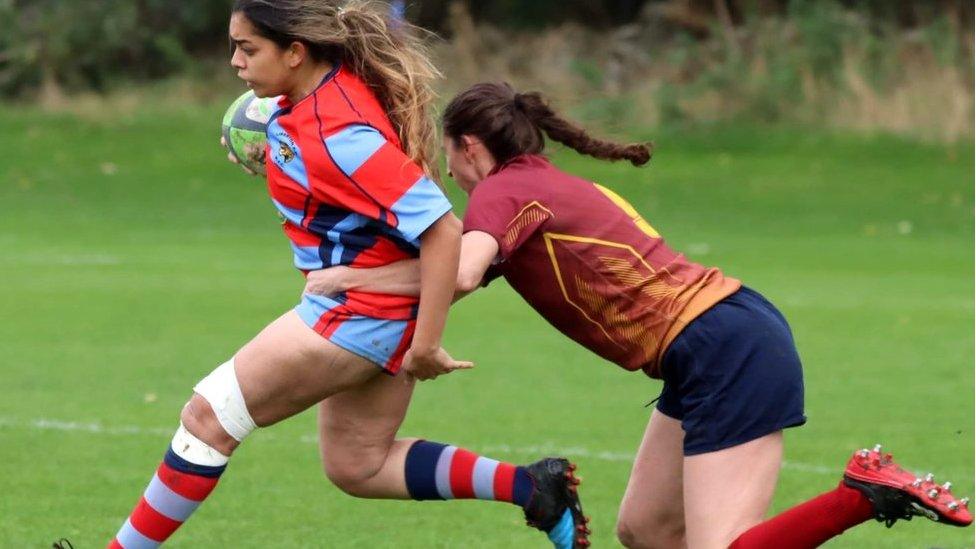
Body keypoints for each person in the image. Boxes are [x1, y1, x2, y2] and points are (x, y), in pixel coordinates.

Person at [305, 81, 974, 548]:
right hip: (714, 343)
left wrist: (351, 278)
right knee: (647, 532)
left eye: (448, 155)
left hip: (723, 349)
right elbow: (460, 270)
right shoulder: (539, 183)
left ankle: (863, 493)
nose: (449, 171)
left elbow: (462, 270)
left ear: (470, 145)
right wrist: (369, 277)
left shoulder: (503, 193)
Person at [106, 4, 590, 549]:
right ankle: (532, 487)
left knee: (207, 418)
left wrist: (427, 347)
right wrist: (275, 143)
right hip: (377, 309)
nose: (234, 62)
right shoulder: (329, 91)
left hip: (357, 313)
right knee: (359, 466)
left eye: (248, 49)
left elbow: (443, 229)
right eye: (234, 46)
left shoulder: (337, 135)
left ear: (295, 51)